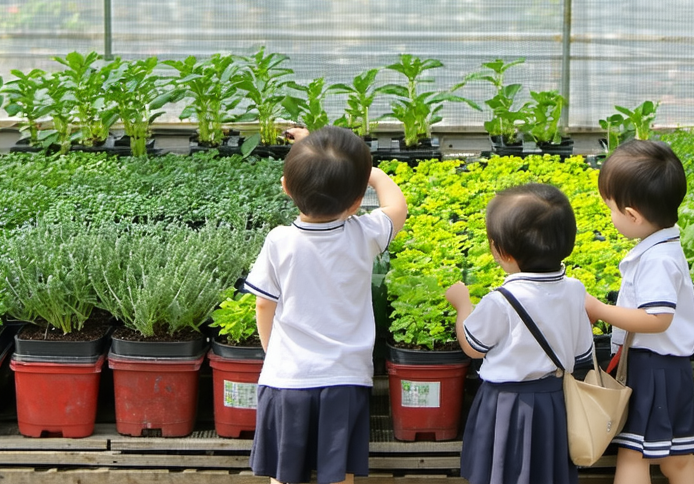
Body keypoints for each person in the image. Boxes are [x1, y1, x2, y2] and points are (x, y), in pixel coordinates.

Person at [244, 125, 408, 484]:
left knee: (284, 472)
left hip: (287, 378)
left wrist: (274, 353)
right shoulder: (364, 235)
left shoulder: (279, 241)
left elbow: (263, 306)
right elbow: (397, 206)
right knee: (338, 471)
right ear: (354, 203)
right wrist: (373, 173)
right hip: (345, 378)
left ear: (286, 187)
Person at [445, 183, 594, 484]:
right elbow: (582, 354)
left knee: (501, 472)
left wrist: (462, 305)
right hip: (553, 403)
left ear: (502, 252)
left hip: (505, 404)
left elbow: (473, 346)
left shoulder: (501, 299)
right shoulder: (575, 291)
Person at [584, 140, 694, 484]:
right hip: (672, 371)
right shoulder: (664, 246)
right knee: (677, 461)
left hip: (654, 371)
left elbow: (656, 319)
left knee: (633, 458)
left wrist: (599, 309)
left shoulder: (657, 260)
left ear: (632, 215)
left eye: (612, 209)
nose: (611, 216)